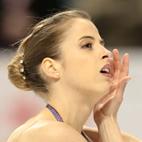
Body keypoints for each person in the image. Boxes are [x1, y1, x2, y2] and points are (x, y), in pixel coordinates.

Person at [7, 9, 141, 142]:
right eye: (87, 45)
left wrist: (107, 119)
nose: (106, 52)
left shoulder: (74, 133)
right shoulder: (51, 134)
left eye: (101, 44)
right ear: (52, 68)